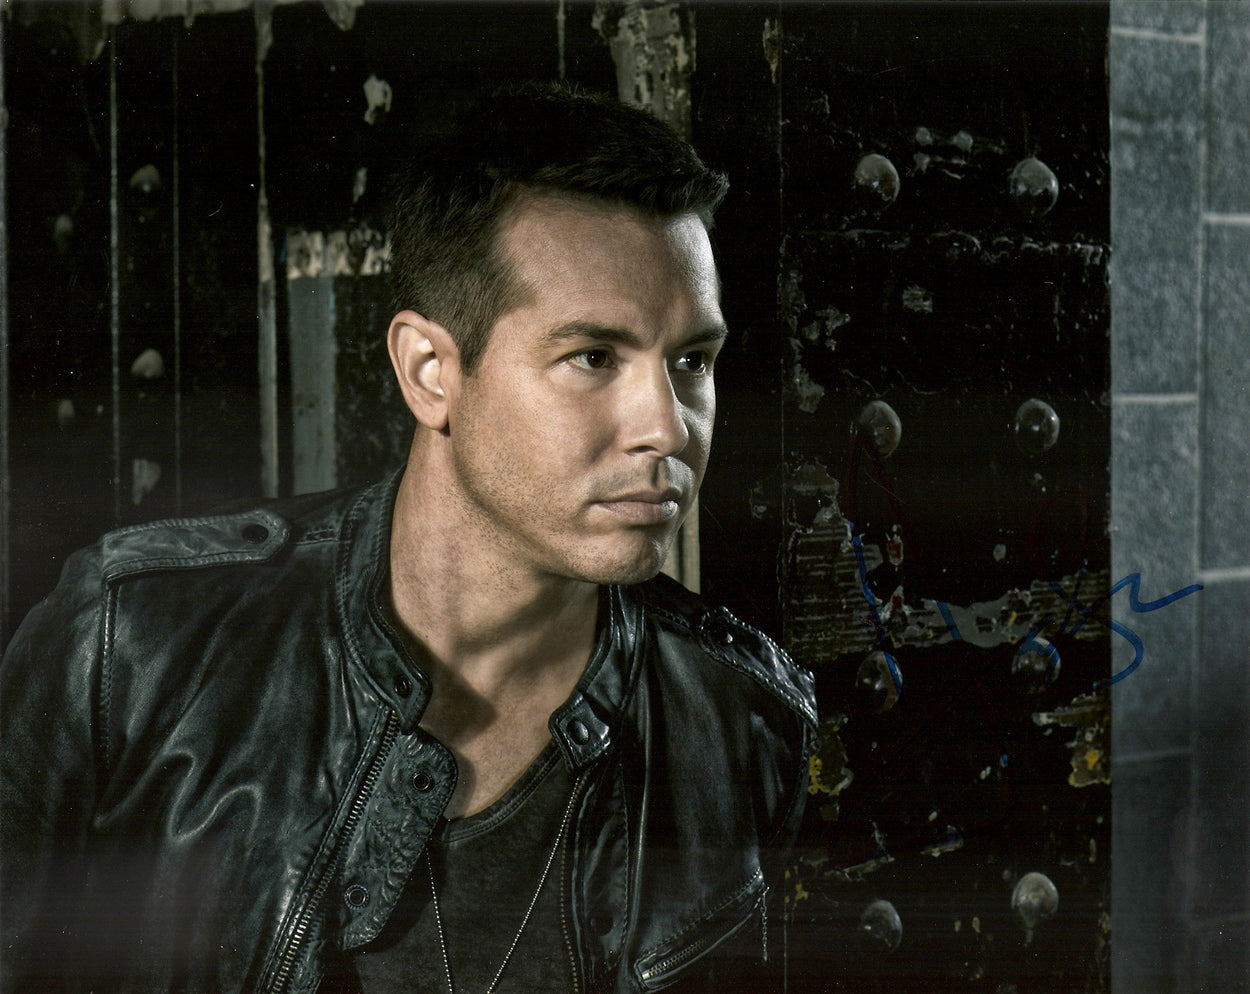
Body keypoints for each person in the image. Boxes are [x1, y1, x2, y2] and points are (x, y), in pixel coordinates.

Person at [0, 82, 816, 993]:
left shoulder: (741, 724)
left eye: (691, 361)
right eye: (593, 357)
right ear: (430, 371)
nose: (666, 428)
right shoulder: (131, 647)